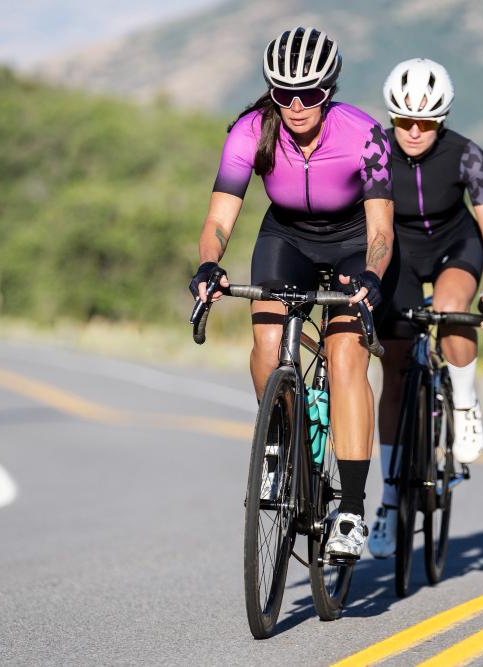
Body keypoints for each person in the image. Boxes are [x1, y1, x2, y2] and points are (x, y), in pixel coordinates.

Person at [190, 27, 394, 558]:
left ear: (330, 88)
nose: (298, 105)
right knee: (265, 344)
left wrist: (372, 276)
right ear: (271, 91)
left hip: (353, 242)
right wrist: (209, 265)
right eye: (284, 94)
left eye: (310, 93)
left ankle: (349, 507)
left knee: (346, 357)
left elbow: (380, 233)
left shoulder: (364, 134)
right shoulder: (249, 131)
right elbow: (219, 217)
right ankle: (280, 448)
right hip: (287, 237)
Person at [368, 58, 483, 559]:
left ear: (441, 118)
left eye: (424, 122)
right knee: (396, 367)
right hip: (400, 252)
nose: (412, 131)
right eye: (403, 120)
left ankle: (466, 406)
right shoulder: (376, 149)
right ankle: (387, 500)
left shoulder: (467, 154)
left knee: (450, 309)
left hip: (455, 246)